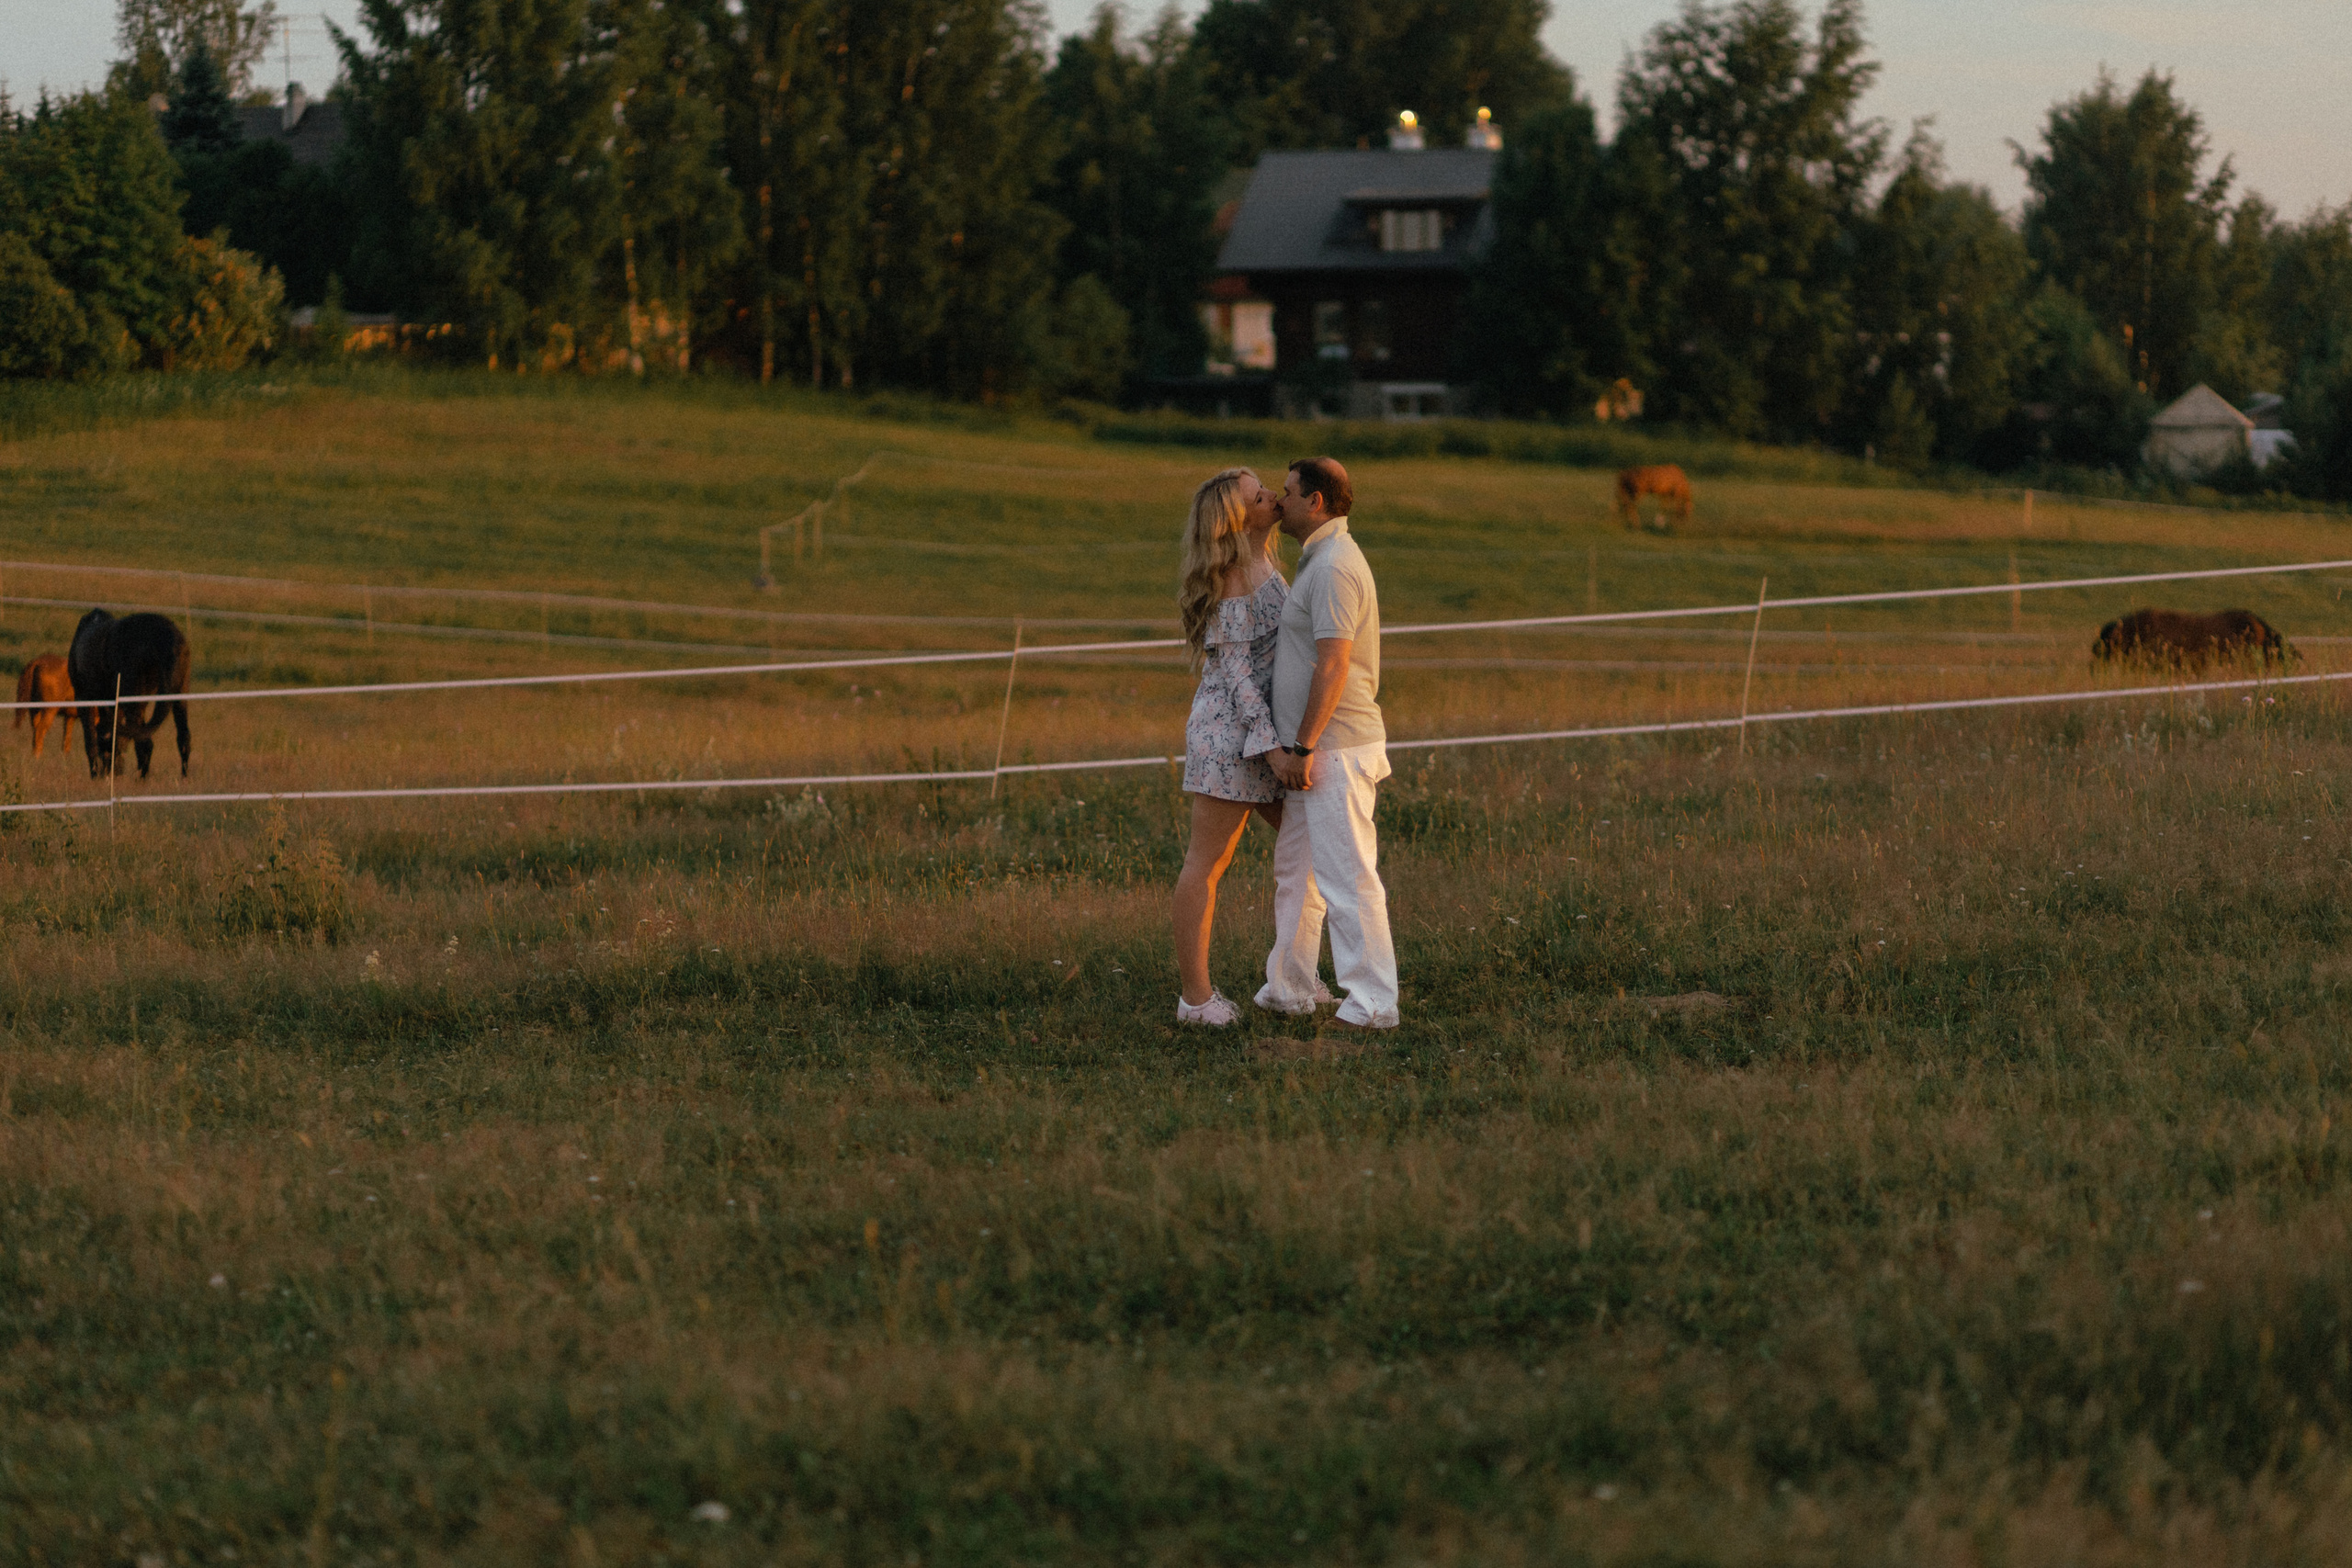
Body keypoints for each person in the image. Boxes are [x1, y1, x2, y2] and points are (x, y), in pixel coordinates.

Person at [1258, 457, 1399, 1031]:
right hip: (1318, 751)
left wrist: (1303, 746)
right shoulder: (1319, 561)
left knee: (1347, 877)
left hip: (1332, 749)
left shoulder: (1336, 566)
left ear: (1316, 503)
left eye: (1288, 492)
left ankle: (1372, 1003)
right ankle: (1289, 987)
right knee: (1297, 872)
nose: (1279, 501)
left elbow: (1335, 663)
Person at [1170, 467, 1308, 1026]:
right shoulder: (1230, 576)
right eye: (1259, 496)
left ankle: (1293, 978)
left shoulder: (1266, 560)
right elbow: (1238, 679)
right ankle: (1196, 1001)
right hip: (1231, 738)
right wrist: (1274, 748)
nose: (1273, 496)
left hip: (1265, 736)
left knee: (1309, 847)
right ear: (1238, 516)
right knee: (1208, 863)